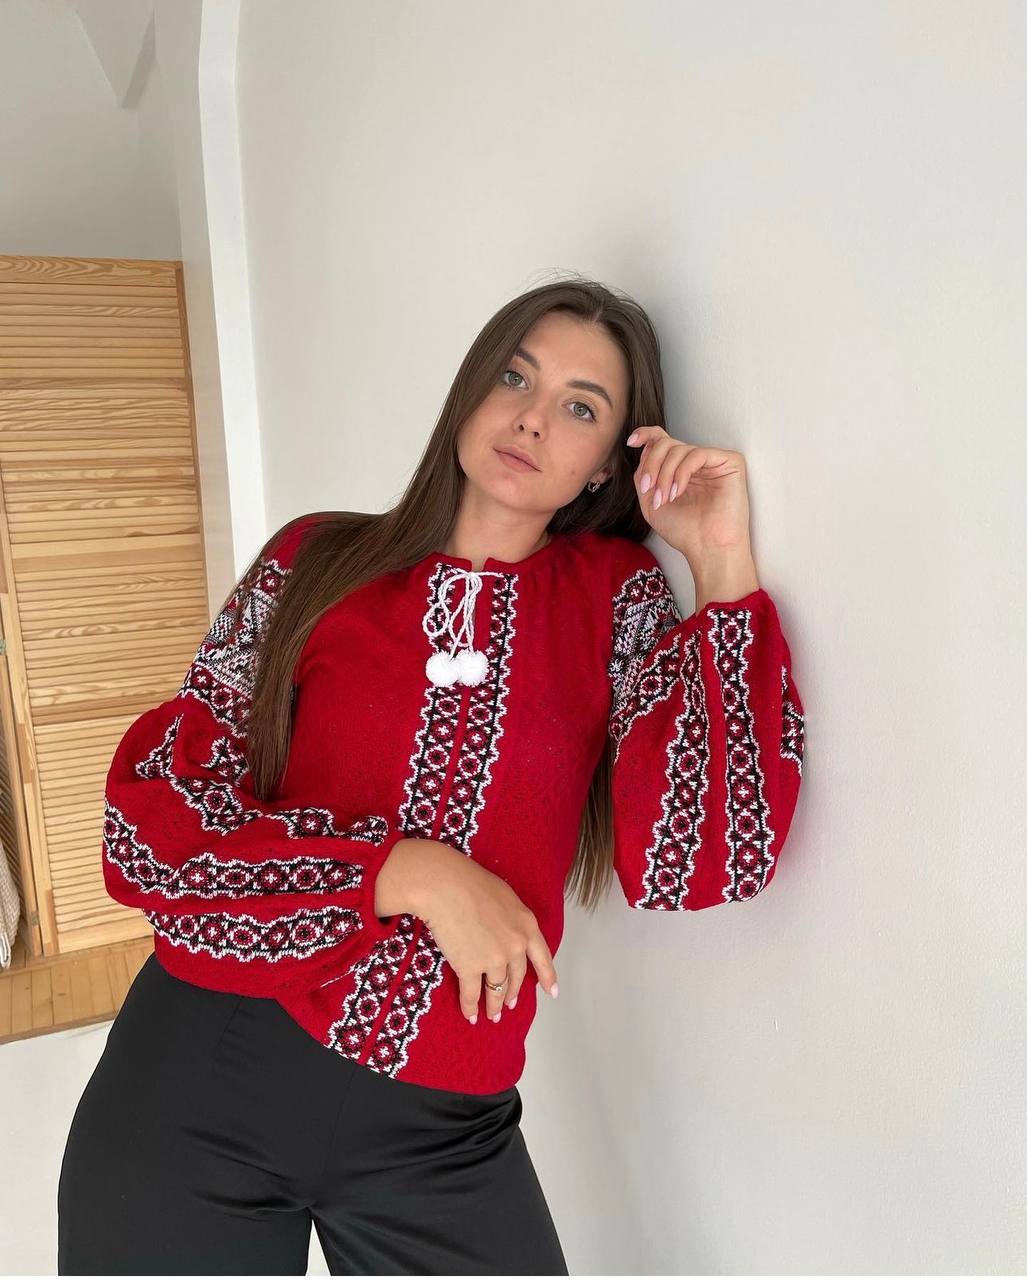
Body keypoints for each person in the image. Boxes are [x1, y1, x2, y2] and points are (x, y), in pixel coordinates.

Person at [57, 277, 806, 1275]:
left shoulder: (614, 600)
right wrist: (403, 872)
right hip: (206, 1071)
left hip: (442, 1129)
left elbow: (699, 863)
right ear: (470, 389)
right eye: (515, 377)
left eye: (581, 408)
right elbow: (155, 825)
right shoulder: (314, 562)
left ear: (605, 467)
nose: (532, 418)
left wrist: (719, 563)